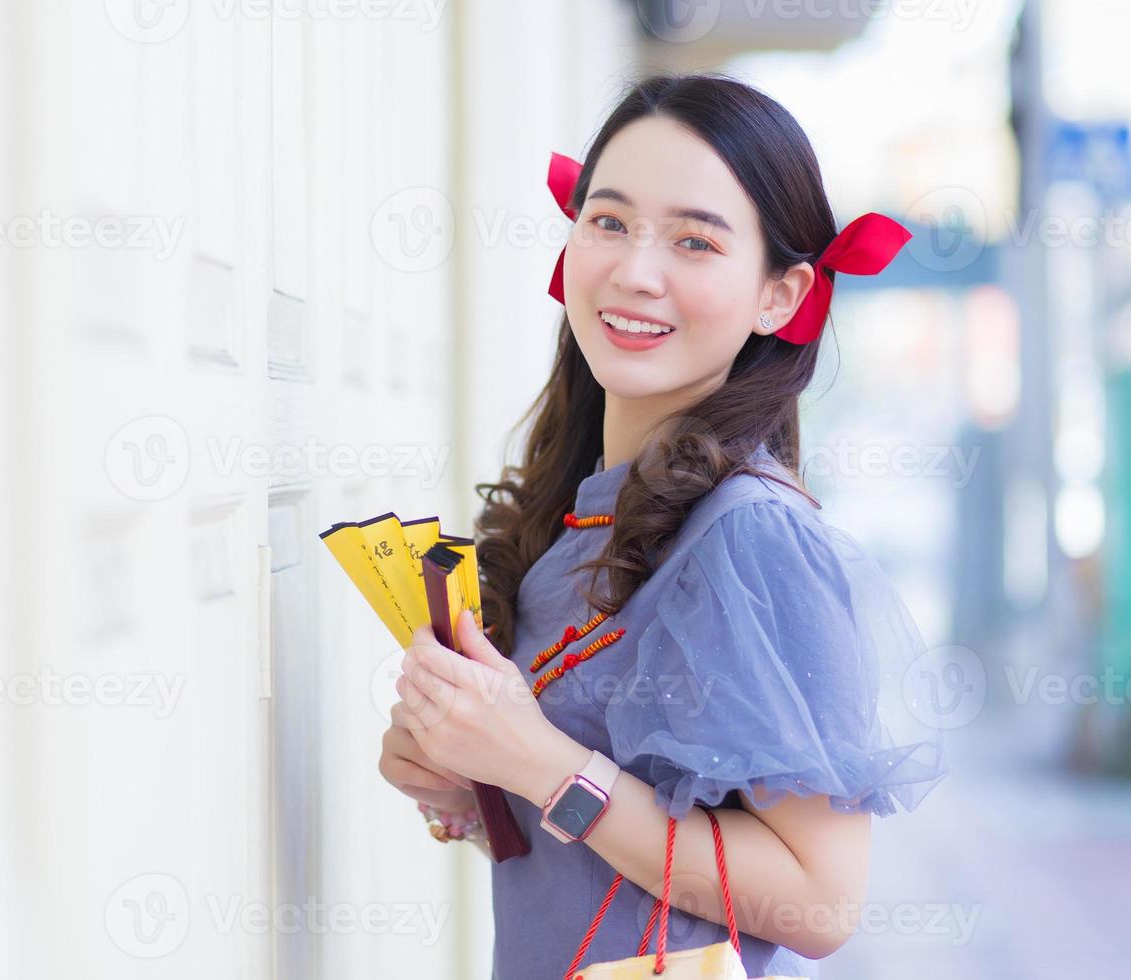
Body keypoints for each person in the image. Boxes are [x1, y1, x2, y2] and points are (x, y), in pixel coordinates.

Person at [378, 72, 948, 979]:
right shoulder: (577, 510)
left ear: (781, 294)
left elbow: (820, 902)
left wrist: (536, 765)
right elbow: (622, 869)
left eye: (694, 240)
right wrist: (475, 780)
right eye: (609, 222)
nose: (636, 271)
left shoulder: (752, 540)